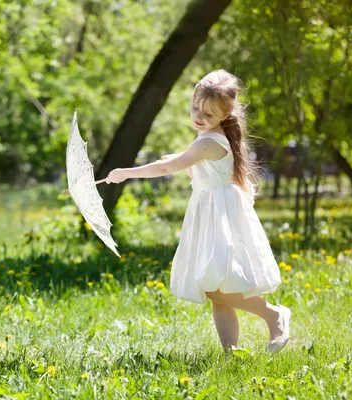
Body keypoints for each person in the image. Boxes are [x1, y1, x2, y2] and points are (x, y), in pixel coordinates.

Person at [105, 69, 290, 354]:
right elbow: (209, 176)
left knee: (216, 287)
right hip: (213, 214)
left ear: (225, 116)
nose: (199, 117)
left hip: (220, 218)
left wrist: (125, 173)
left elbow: (167, 169)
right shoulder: (214, 137)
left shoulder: (207, 141)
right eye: (196, 108)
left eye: (209, 114)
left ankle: (273, 314)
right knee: (217, 290)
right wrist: (189, 166)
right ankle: (231, 354)